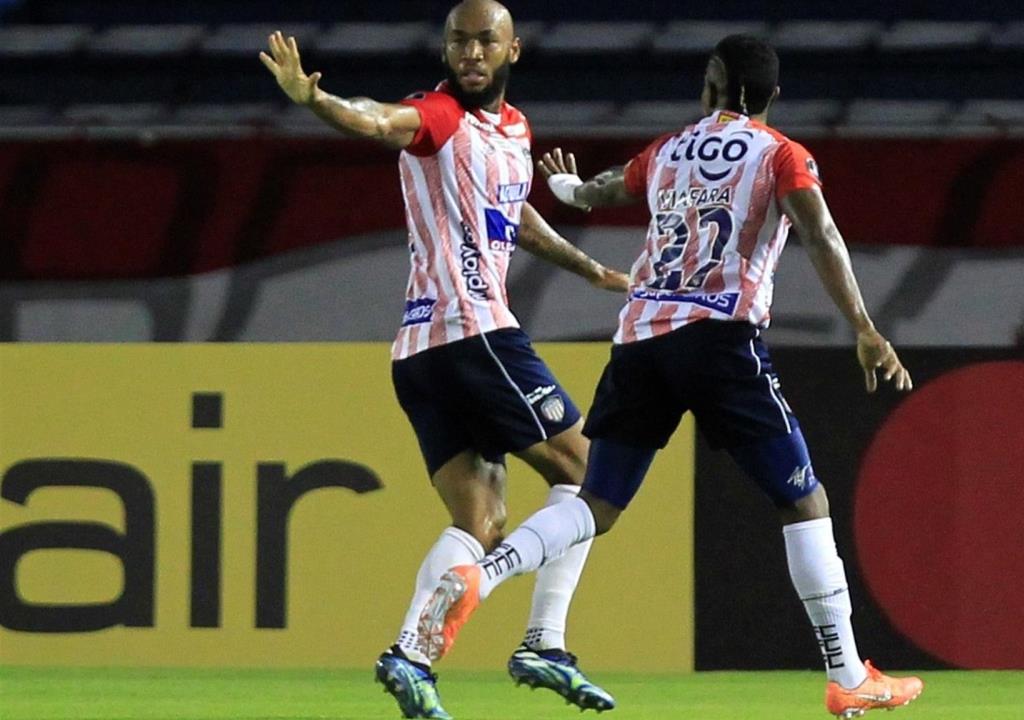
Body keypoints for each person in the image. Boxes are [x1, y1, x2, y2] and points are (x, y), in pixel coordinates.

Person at [417, 34, 924, 719]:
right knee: (803, 501)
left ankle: (482, 572)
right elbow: (821, 233)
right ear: (771, 97)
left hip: (640, 343)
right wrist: (864, 327)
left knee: (596, 503)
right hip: (721, 341)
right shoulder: (783, 155)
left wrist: (563, 185)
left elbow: (595, 191)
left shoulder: (667, 151)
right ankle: (846, 673)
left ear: (709, 87)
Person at [259, 3, 626, 718]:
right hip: (473, 332)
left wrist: (589, 269)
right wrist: (318, 101)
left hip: (422, 353)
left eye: (485, 40)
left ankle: (411, 657)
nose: (471, 52)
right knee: (591, 472)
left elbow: (517, 217)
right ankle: (543, 641)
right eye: (459, 40)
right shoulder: (437, 116)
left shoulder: (513, 131)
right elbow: (376, 120)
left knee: (481, 516)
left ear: (513, 47)